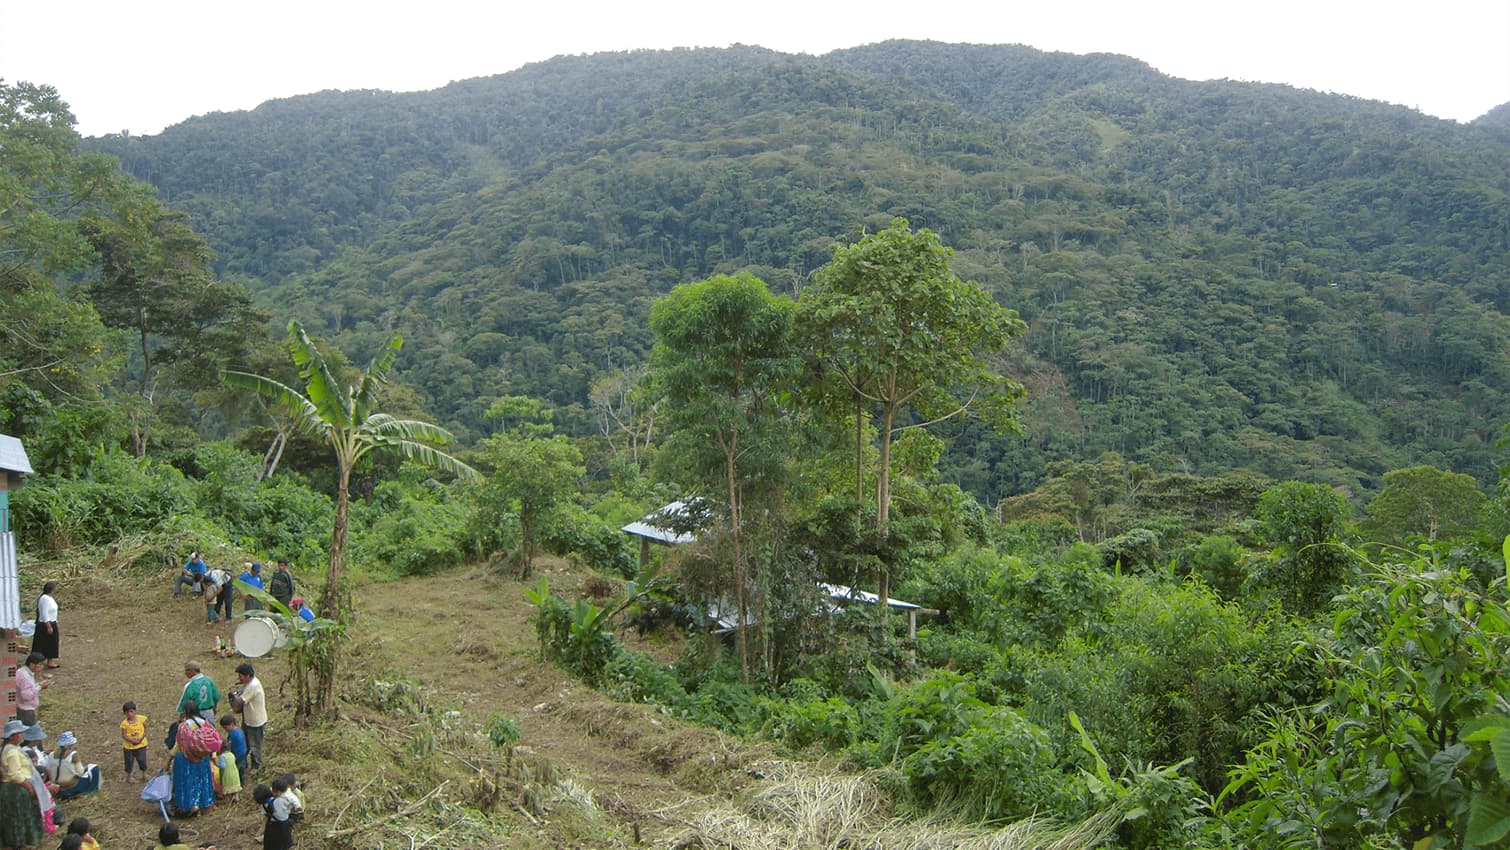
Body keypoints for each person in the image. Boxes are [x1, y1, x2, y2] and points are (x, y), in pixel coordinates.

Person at [166, 704, 216, 817]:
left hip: (185, 759)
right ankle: (205, 805)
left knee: (187, 782)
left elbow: (178, 745)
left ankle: (190, 805)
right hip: (202, 758)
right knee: (203, 780)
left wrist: (169, 759)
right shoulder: (205, 723)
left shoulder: (184, 726)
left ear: (186, 712)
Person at [1, 719, 43, 849]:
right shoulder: (12, 752)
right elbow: (15, 774)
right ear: (14, 736)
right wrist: (27, 786)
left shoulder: (12, 748)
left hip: (15, 788)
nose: (23, 735)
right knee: (18, 817)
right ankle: (20, 843)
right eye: (21, 733)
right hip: (16, 789)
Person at [232, 663, 267, 772]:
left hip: (255, 721)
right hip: (249, 719)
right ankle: (244, 764)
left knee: (255, 745)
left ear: (247, 676)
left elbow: (240, 701)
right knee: (246, 742)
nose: (239, 679)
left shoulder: (253, 686)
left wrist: (233, 693)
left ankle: (256, 766)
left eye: (241, 676)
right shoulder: (249, 683)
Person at [48, 733, 98, 800]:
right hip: (71, 788)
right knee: (94, 767)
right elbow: (81, 772)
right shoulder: (73, 755)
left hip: (57, 788)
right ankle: (90, 791)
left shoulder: (51, 755)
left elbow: (48, 770)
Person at [257, 778, 296, 850]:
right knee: (283, 844)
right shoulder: (280, 800)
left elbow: (265, 814)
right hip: (283, 826)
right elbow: (291, 808)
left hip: (271, 827)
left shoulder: (263, 806)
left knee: (270, 845)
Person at [14, 653, 50, 727]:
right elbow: (26, 696)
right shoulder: (25, 676)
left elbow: (28, 688)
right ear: (32, 664)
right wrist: (40, 686)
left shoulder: (22, 671)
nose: (42, 667)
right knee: (31, 733)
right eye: (40, 664)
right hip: (25, 710)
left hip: (21, 707)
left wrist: (38, 685)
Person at [31, 583, 59, 669]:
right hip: (45, 624)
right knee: (41, 643)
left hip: (52, 622)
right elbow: (44, 613)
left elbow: (53, 612)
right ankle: (36, 662)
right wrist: (48, 626)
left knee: (52, 643)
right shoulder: (44, 599)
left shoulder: (50, 598)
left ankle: (50, 661)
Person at [120, 701, 149, 782]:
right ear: (125, 713)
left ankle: (144, 774)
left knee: (142, 760)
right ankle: (129, 776)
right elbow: (124, 735)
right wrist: (132, 740)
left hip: (141, 745)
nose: (130, 714)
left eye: (131, 711)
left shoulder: (141, 719)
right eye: (127, 712)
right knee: (129, 761)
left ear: (135, 711)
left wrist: (141, 738)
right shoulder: (124, 724)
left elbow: (145, 729)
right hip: (129, 747)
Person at [215, 736, 241, 803]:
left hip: (227, 774)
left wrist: (215, 762)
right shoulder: (231, 754)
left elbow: (222, 766)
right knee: (235, 785)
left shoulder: (222, 756)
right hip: (234, 772)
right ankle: (236, 797)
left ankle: (226, 800)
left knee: (227, 786)